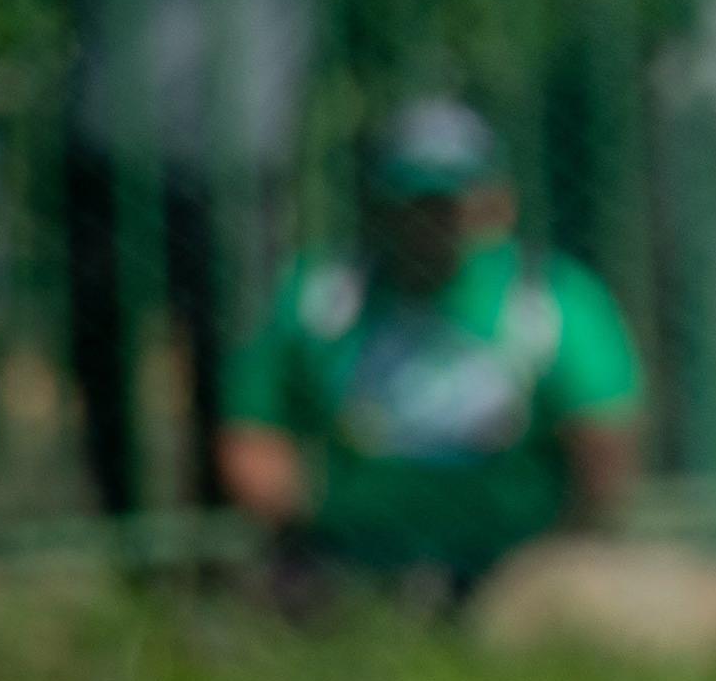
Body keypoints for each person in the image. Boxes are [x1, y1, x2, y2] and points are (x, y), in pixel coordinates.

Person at [61, 0, 496, 522]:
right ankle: (128, 536)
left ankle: (226, 537)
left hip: (239, 151)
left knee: (234, 356)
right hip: (117, 137)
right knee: (106, 345)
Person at [219, 99, 643, 605]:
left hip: (511, 564)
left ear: (497, 205)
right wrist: (305, 527)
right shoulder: (323, 302)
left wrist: (560, 558)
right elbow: (254, 437)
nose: (429, 224)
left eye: (448, 204)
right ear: (378, 208)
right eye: (412, 204)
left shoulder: (547, 301)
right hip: (354, 560)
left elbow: (603, 445)